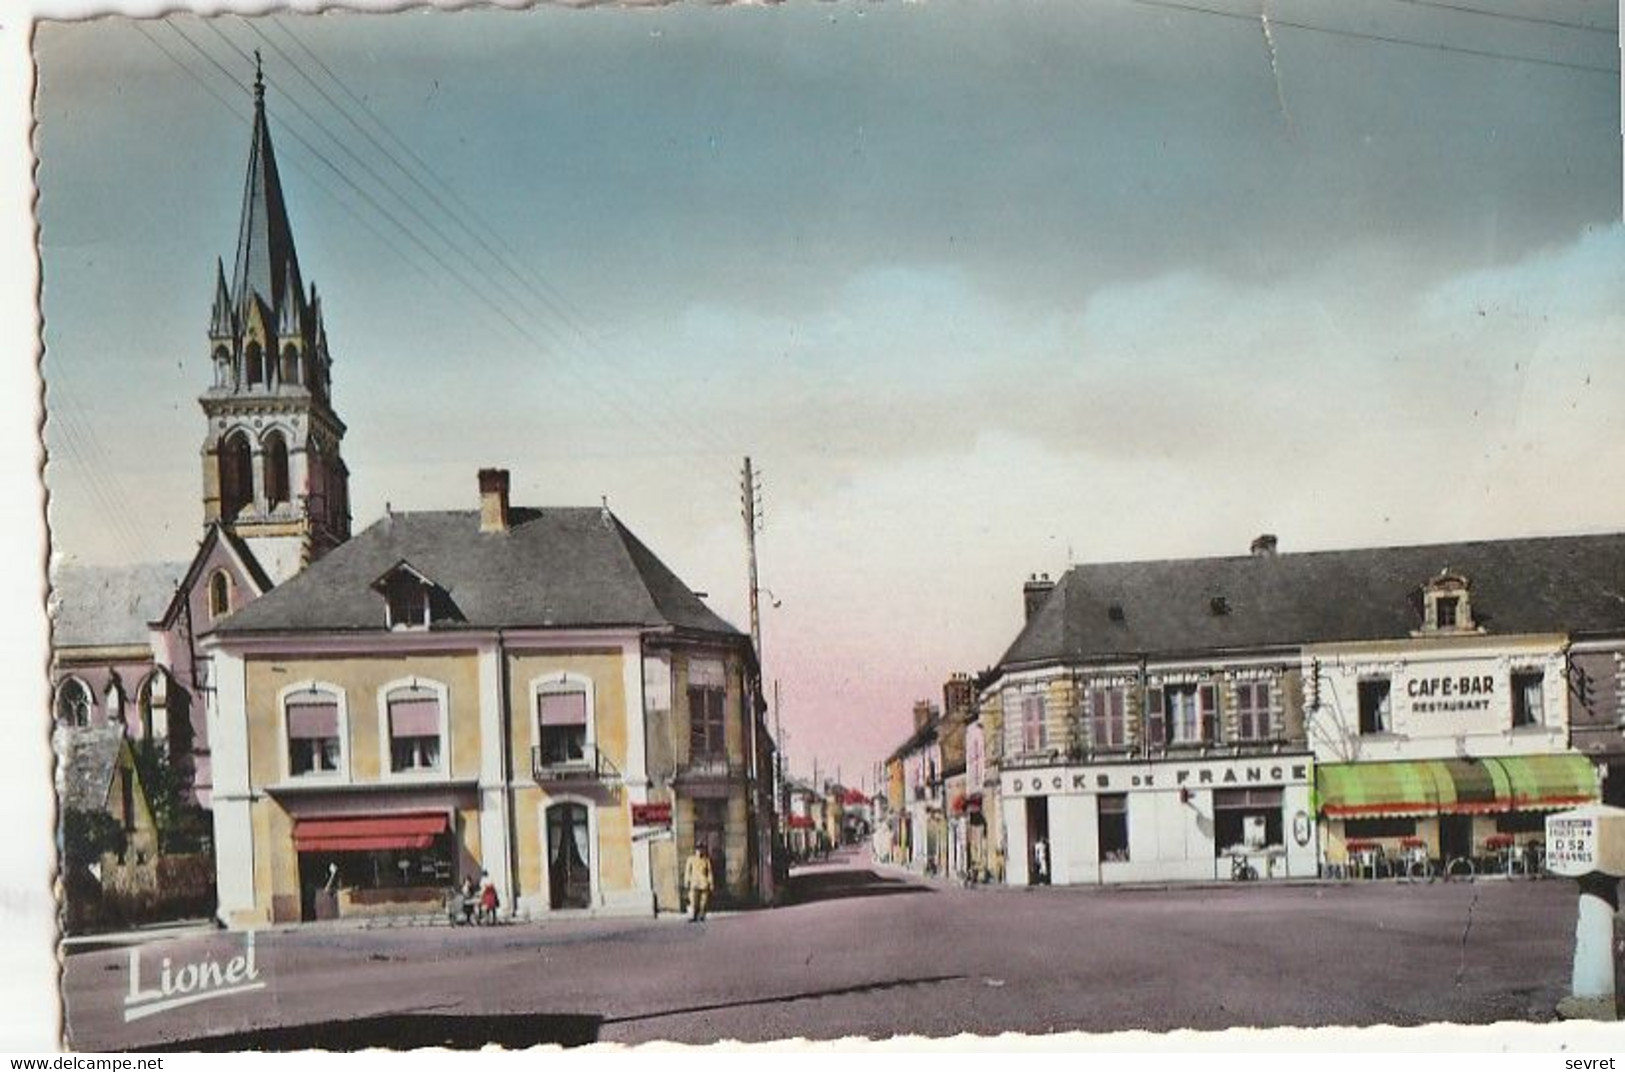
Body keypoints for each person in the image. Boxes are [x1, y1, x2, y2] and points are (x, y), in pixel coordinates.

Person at [683, 844, 714, 922]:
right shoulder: (691, 859)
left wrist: (711, 883)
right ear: (695, 851)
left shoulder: (706, 860)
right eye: (698, 850)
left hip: (704, 883)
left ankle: (702, 915)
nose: (699, 852)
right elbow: (688, 871)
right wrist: (686, 881)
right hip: (694, 883)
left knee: (703, 902)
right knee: (693, 901)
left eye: (701, 850)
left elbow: (709, 872)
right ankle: (693, 916)